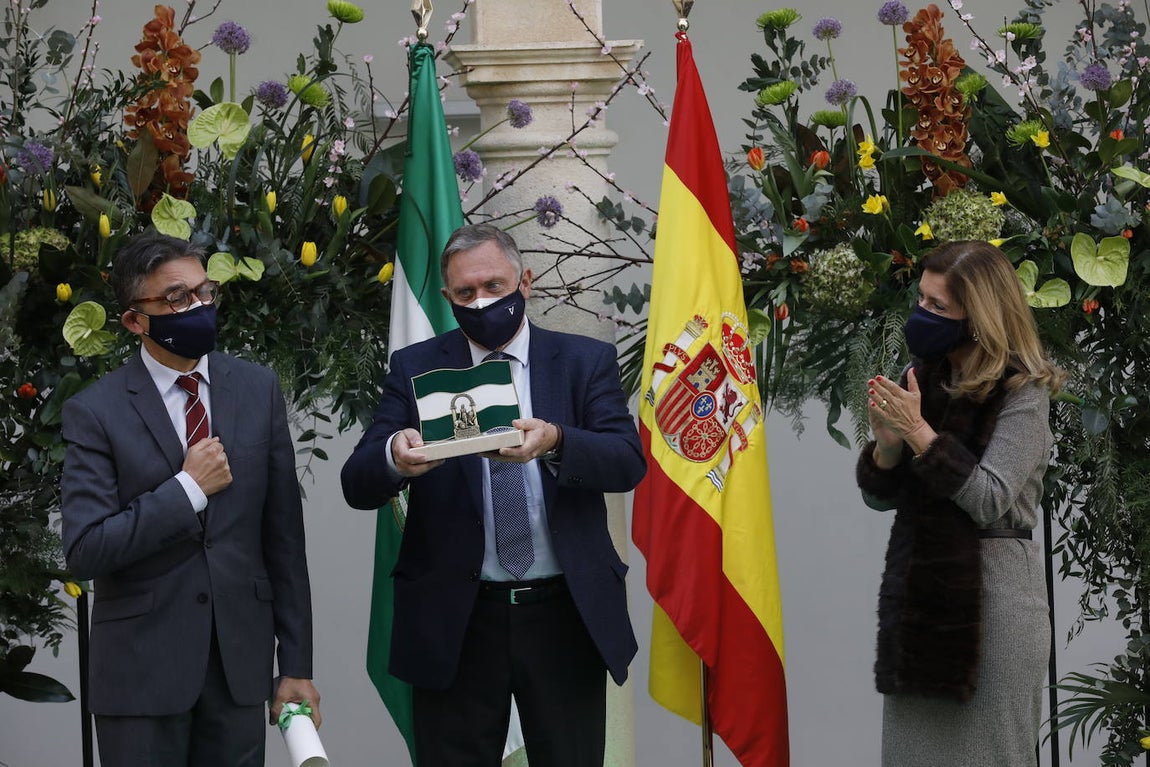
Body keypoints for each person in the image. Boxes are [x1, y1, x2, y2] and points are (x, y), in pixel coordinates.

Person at [341, 223, 645, 767]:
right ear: (447, 297)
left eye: (494, 286)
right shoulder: (417, 368)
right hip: (458, 617)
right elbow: (357, 482)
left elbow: (626, 461)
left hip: (562, 614)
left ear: (525, 281)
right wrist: (396, 455)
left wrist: (555, 440)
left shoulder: (583, 361)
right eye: (465, 293)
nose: (481, 301)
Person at [61, 231, 320, 767]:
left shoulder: (257, 388)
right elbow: (85, 548)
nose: (199, 306)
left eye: (205, 292)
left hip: (238, 670)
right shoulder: (95, 411)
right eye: (178, 299)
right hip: (140, 675)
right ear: (136, 319)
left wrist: (295, 663)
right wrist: (186, 491)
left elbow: (284, 541)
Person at [855, 240, 1065, 767]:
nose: (921, 314)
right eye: (921, 300)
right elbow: (880, 499)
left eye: (937, 306)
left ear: (979, 316)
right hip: (921, 604)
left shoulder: (1023, 392)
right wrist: (887, 445)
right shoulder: (924, 375)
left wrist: (920, 432)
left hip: (992, 610)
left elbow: (991, 498)